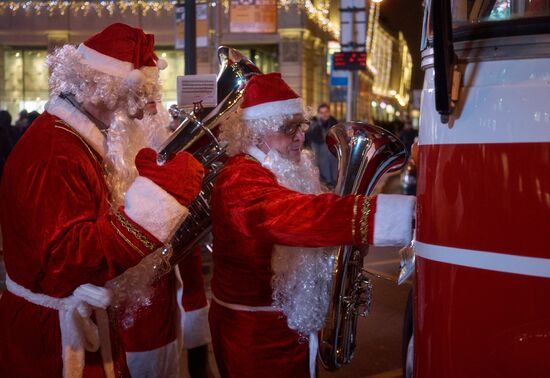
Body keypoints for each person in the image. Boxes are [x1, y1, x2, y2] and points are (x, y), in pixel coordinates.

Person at [0, 23, 205, 378]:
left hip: (79, 326)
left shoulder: (78, 139)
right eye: (138, 97)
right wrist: (160, 200)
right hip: (51, 344)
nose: (144, 112)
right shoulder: (56, 152)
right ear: (103, 88)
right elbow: (70, 259)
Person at [208, 73, 415, 377]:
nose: (300, 137)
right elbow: (296, 216)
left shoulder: (284, 168)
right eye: (288, 128)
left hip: (290, 331)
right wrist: (381, 216)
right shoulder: (238, 178)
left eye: (300, 126)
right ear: (256, 134)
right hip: (255, 339)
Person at [305, 103, 339, 187]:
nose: (324, 114)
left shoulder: (336, 124)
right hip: (320, 155)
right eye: (322, 112)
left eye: (326, 112)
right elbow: (309, 139)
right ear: (319, 114)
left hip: (333, 158)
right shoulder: (314, 125)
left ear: (329, 112)